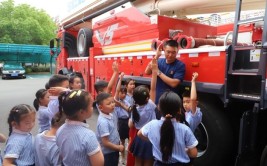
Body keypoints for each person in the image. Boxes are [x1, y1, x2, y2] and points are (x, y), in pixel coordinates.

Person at [137, 91, 198, 166]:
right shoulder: (185, 129)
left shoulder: (152, 125)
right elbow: (194, 153)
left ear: (159, 108)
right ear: (179, 110)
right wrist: (183, 150)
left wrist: (153, 139)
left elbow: (139, 134)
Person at [56, 90, 104, 166]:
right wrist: (98, 145)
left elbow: (62, 155)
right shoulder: (88, 135)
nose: (93, 108)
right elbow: (99, 163)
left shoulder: (60, 130)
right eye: (91, 106)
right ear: (82, 112)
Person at [128, 58, 158, 166]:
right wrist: (154, 71)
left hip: (138, 138)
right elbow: (154, 88)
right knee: (148, 163)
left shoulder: (134, 108)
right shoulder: (150, 106)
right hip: (149, 138)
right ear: (147, 99)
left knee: (137, 162)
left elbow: (131, 124)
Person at [145, 39, 185, 104]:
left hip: (170, 102)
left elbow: (174, 83)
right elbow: (147, 71)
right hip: (157, 100)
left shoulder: (180, 65)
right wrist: (157, 56)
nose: (170, 55)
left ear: (177, 51)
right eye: (168, 52)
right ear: (164, 50)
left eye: (173, 52)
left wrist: (158, 72)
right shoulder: (159, 61)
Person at [96, 92, 124, 166]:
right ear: (100, 107)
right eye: (108, 104)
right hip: (108, 153)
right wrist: (118, 147)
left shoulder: (110, 114)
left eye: (112, 102)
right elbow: (105, 143)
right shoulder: (103, 122)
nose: (112, 105)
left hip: (113, 150)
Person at [114, 73, 131, 164]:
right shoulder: (116, 101)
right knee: (123, 141)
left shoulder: (126, 102)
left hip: (127, 121)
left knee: (129, 140)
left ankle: (128, 157)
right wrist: (120, 79)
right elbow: (116, 90)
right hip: (121, 122)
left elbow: (129, 110)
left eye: (125, 93)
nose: (123, 95)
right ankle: (123, 158)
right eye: (122, 93)